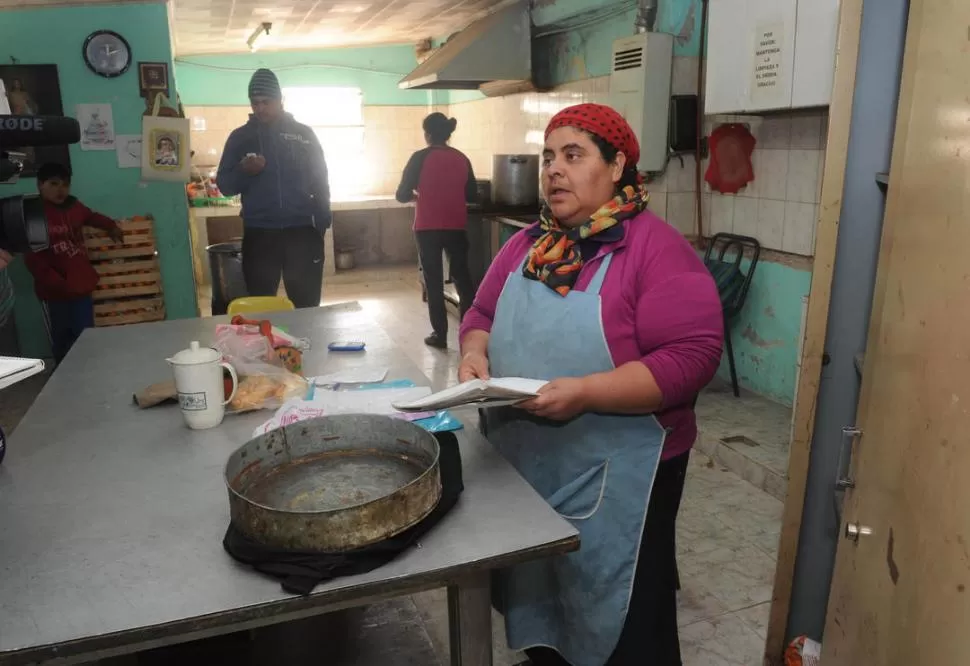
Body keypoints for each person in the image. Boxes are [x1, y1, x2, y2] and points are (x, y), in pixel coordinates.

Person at [458, 104, 724, 666]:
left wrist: (585, 392)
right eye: (548, 157)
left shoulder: (655, 249)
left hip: (622, 470)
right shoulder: (528, 245)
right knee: (543, 595)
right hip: (531, 463)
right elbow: (478, 313)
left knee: (622, 606)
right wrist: (473, 354)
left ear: (617, 164)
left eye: (573, 155)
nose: (554, 169)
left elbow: (692, 357)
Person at [216, 68, 331, 309]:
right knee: (260, 308)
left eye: (266, 102)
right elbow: (225, 185)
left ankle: (307, 346)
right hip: (260, 234)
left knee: (307, 307)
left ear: (281, 100)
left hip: (302, 232)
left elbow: (321, 179)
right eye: (254, 102)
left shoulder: (303, 134)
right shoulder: (240, 138)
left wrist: (320, 224)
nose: (260, 108)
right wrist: (244, 171)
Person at [24, 163, 123, 364]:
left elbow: (91, 216)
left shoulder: (74, 206)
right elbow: (32, 257)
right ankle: (62, 378)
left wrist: (110, 226)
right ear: (40, 185)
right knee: (61, 338)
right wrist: (55, 281)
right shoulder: (34, 214)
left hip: (80, 285)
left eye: (65, 185)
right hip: (54, 291)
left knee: (85, 334)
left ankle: (87, 371)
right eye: (53, 184)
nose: (60, 190)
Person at [396, 112, 478, 349]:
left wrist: (418, 195)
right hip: (456, 226)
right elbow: (472, 195)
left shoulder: (420, 158)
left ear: (428, 134)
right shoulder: (462, 158)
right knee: (463, 279)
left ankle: (439, 335)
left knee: (433, 281)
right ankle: (469, 333)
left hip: (427, 228)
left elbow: (401, 194)